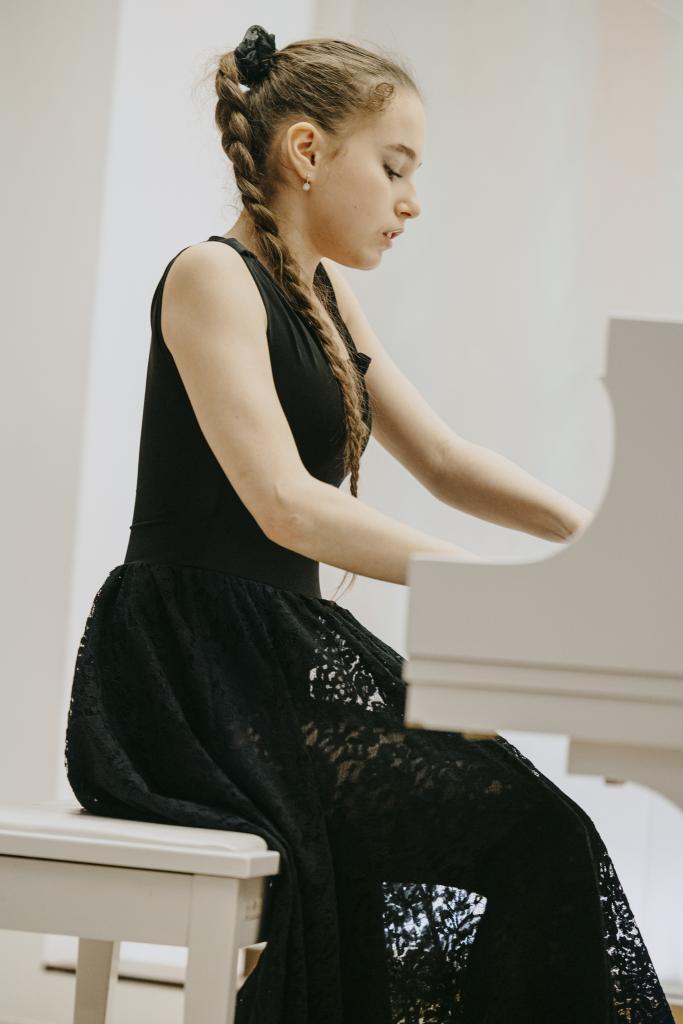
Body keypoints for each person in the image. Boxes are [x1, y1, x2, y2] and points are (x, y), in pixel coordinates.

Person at [64, 24, 675, 1024]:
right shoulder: (210, 276)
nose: (411, 201)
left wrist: (589, 535)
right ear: (306, 152)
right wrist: (496, 583)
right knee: (526, 832)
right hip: (190, 671)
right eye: (394, 168)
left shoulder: (320, 295)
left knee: (539, 827)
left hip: (275, 658)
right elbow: (285, 504)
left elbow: (441, 459)